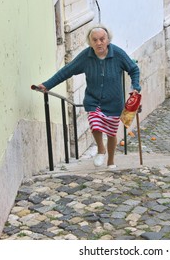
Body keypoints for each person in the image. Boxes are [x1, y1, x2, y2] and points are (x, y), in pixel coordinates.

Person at [37, 25, 141, 168]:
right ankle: (101, 149)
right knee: (95, 123)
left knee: (111, 133)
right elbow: (67, 70)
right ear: (90, 42)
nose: (99, 43)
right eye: (95, 40)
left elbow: (133, 69)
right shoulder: (86, 56)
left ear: (108, 40)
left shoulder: (117, 54)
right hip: (94, 100)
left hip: (114, 102)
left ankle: (111, 161)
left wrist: (136, 86)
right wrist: (47, 85)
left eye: (102, 39)